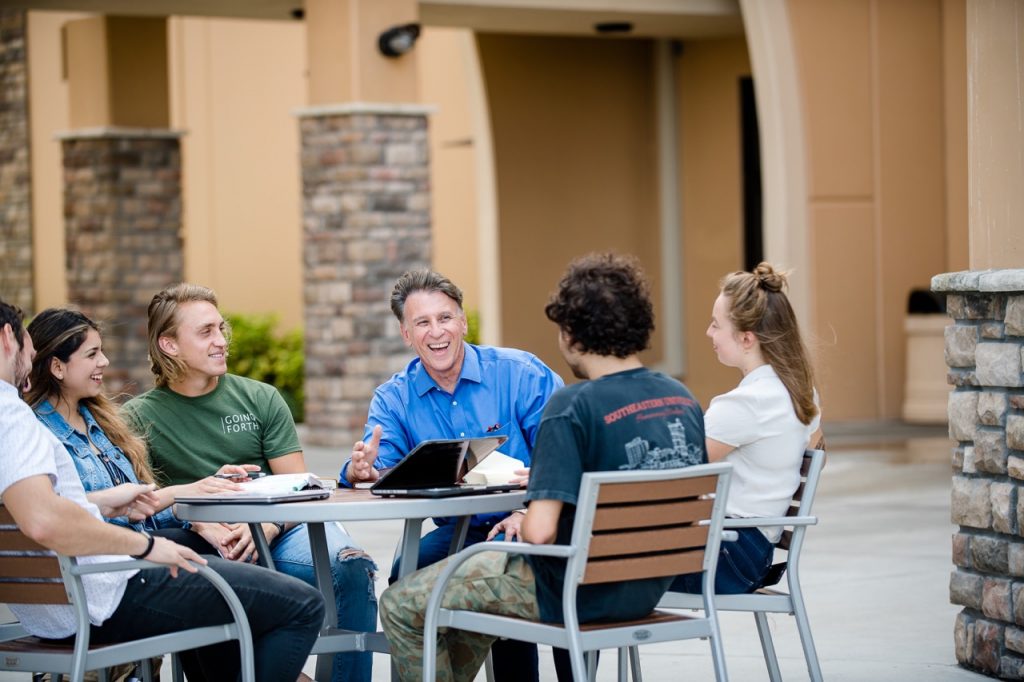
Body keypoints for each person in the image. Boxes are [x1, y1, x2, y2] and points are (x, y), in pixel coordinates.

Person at [378, 253, 707, 682]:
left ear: (570, 333)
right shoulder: (682, 397)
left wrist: (539, 496)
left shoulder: (570, 408)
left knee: (401, 604)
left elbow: (538, 533)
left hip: (571, 587)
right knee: (461, 579)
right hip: (650, 582)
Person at [0, 297, 325, 682]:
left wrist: (125, 502)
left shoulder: (80, 420)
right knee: (303, 605)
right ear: (8, 338)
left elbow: (47, 506)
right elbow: (44, 520)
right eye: (93, 354)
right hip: (103, 594)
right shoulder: (14, 416)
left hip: (67, 600)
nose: (104, 362)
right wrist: (149, 548)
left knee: (217, 557)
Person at [121, 283, 376, 682]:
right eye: (205, 332)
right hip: (204, 542)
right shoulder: (137, 418)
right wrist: (199, 523)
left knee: (352, 568)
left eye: (221, 329)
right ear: (169, 345)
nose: (221, 341)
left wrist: (268, 527)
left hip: (282, 531)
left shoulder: (261, 398)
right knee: (211, 585)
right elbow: (146, 509)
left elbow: (302, 490)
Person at [342, 269, 564, 682]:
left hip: (533, 522)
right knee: (406, 573)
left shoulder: (520, 373)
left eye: (445, 318)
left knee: (506, 549)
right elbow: (380, 469)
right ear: (406, 334)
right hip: (458, 530)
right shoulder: (395, 397)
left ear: (462, 321)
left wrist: (529, 512)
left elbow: (565, 453)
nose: (436, 332)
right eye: (422, 323)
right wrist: (362, 470)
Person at [25, 307, 256, 558]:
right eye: (92, 354)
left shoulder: (101, 422)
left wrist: (198, 508)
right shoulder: (37, 434)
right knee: (276, 589)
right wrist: (185, 492)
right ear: (57, 367)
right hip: (116, 566)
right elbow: (60, 517)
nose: (105, 361)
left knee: (245, 556)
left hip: (143, 553)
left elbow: (138, 515)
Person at [670, 262, 822, 596]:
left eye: (715, 324)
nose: (709, 333)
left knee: (599, 565)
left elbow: (674, 473)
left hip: (726, 554)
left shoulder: (746, 403)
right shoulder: (801, 393)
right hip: (753, 552)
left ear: (747, 337)